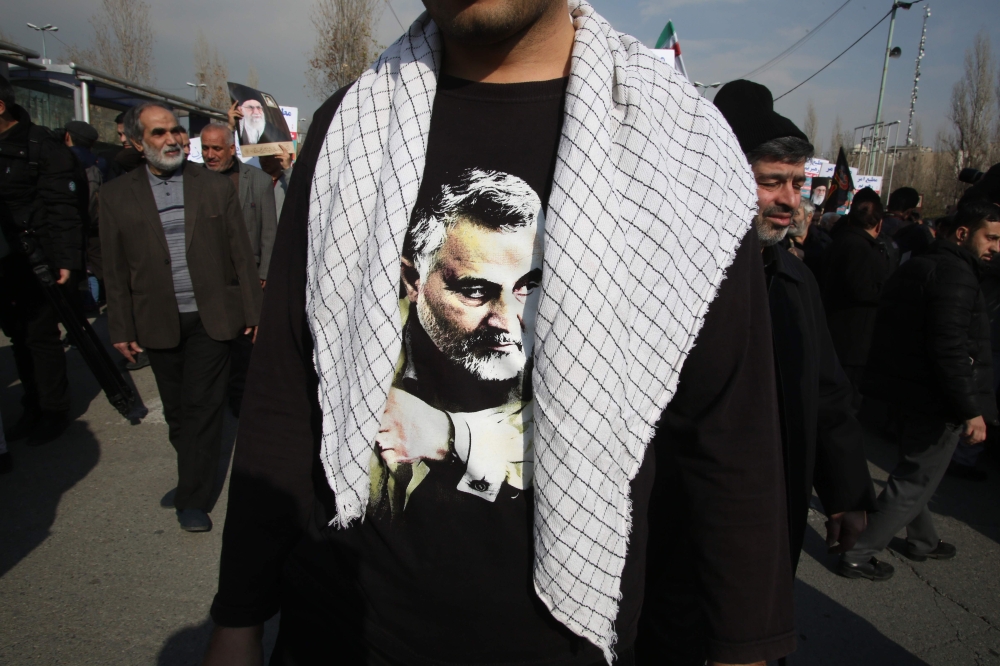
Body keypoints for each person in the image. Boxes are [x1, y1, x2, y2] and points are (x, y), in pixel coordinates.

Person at [205, 3, 794, 666]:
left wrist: (743, 647)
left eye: (530, 292)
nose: (510, 324)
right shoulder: (350, 129)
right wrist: (240, 615)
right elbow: (286, 383)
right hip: (340, 626)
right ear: (410, 278)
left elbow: (730, 434)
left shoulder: (680, 150)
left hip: (561, 640)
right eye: (474, 290)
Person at [713, 78, 875, 575]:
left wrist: (846, 491)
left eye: (798, 184)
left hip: (774, 505)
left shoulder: (795, 279)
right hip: (686, 518)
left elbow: (826, 393)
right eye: (772, 181)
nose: (790, 200)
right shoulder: (671, 279)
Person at [100, 102, 262, 532]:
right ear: (137, 143)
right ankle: (191, 475)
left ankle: (193, 497)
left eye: (175, 131)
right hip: (157, 320)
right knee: (177, 412)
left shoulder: (212, 187)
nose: (171, 139)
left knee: (204, 407)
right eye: (158, 133)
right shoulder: (115, 196)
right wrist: (121, 328)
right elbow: (113, 270)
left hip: (211, 319)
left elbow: (240, 255)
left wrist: (252, 310)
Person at [841, 201, 1000, 579]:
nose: (996, 247)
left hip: (910, 391)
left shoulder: (925, 265)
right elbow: (951, 350)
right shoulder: (956, 276)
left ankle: (922, 540)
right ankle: (857, 553)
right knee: (915, 478)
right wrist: (971, 410)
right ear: (963, 234)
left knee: (919, 472)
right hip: (934, 397)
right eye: (990, 237)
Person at [0, 74, 82, 446]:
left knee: (41, 337)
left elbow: (63, 207)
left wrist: (65, 259)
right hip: (5, 261)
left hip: (37, 259)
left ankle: (53, 408)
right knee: (17, 335)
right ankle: (31, 404)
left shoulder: (40, 146)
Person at [200, 123, 277, 415]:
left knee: (245, 343)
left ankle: (240, 398)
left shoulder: (257, 181)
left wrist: (264, 274)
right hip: (209, 278)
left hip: (249, 277)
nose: (210, 155)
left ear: (232, 149)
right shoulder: (193, 180)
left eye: (216, 148)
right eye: (205, 148)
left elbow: (269, 231)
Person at [821, 187, 891, 401]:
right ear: (879, 224)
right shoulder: (857, 246)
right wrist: (887, 292)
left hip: (845, 335)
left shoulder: (845, 241)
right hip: (851, 338)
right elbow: (860, 289)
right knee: (843, 397)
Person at [63, 120, 105, 311]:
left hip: (81, 228)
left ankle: (88, 305)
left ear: (68, 137)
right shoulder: (96, 164)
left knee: (86, 272)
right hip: (93, 227)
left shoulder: (72, 164)